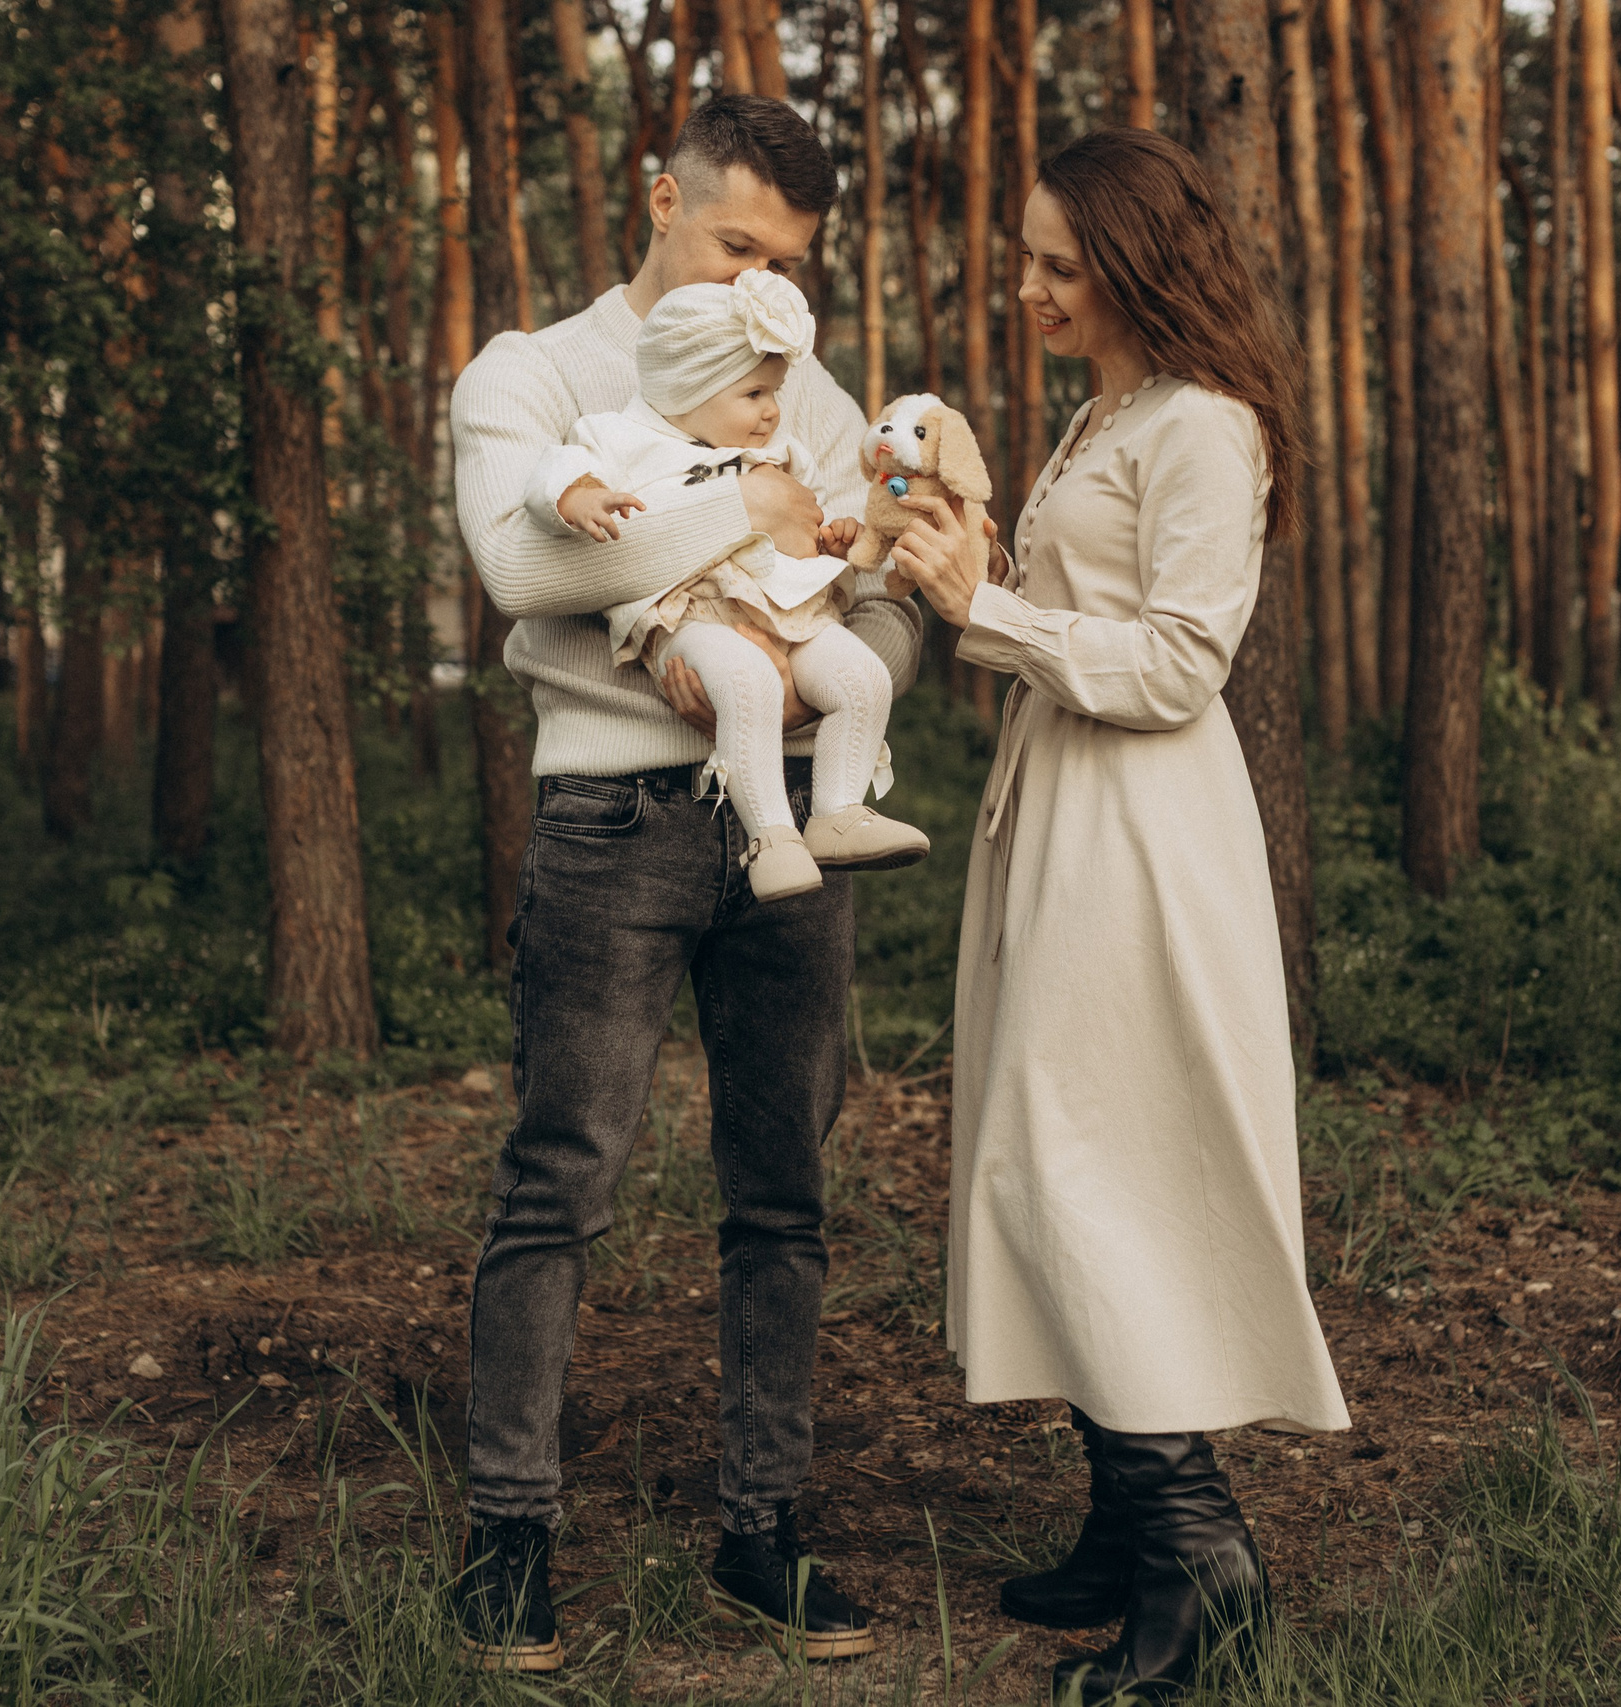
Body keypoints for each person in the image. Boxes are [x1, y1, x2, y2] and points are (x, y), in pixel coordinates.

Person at [447, 93, 914, 1672]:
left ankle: (760, 1526)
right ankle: (510, 1534)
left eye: (785, 263)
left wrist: (845, 656)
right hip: (612, 818)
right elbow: (530, 574)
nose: (756, 292)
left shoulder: (821, 395)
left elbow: (876, 590)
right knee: (560, 1176)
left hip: (788, 814)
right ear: (658, 199)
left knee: (782, 1189)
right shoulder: (534, 373)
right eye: (732, 246)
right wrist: (747, 511)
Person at [887, 127, 1352, 1703]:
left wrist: (986, 611)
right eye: (1026, 255)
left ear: (1141, 266)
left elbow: (1176, 664)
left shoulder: (1205, 427)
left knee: (1082, 1165)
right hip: (1065, 811)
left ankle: (1204, 1561)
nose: (1026, 287)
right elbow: (1066, 618)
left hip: (1143, 835)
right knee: (1061, 1154)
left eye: (1057, 264)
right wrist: (968, 559)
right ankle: (1124, 1523)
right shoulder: (1114, 412)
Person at [525, 270, 930, 902]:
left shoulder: (776, 450)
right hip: (691, 619)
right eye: (754, 393)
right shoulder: (621, 437)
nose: (773, 409)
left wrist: (834, 534)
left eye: (774, 391)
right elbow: (556, 467)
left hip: (789, 611)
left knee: (862, 677)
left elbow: (807, 523)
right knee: (747, 681)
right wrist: (577, 496)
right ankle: (771, 837)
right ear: (689, 388)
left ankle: (837, 812)